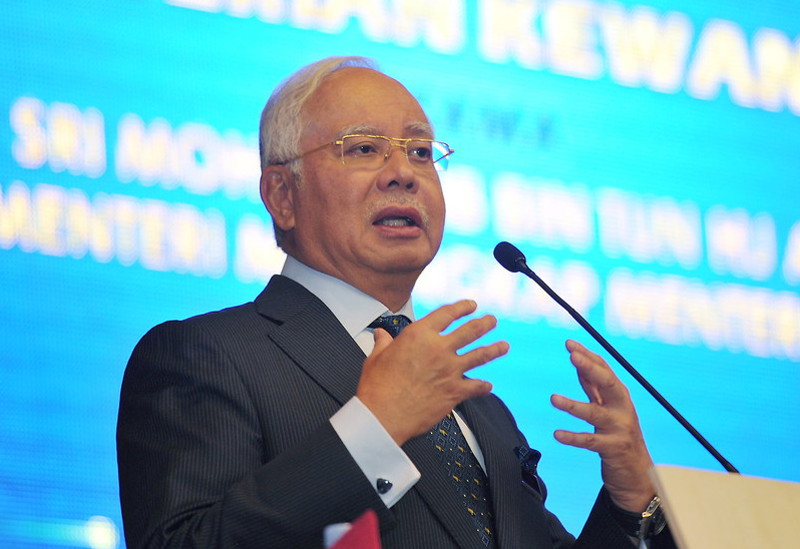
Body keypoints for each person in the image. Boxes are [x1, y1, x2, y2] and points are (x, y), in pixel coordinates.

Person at [117, 56, 676, 549]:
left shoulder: (480, 411)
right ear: (282, 196)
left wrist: (632, 503)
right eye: (363, 149)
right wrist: (373, 429)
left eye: (420, 151)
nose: (404, 174)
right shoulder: (205, 356)